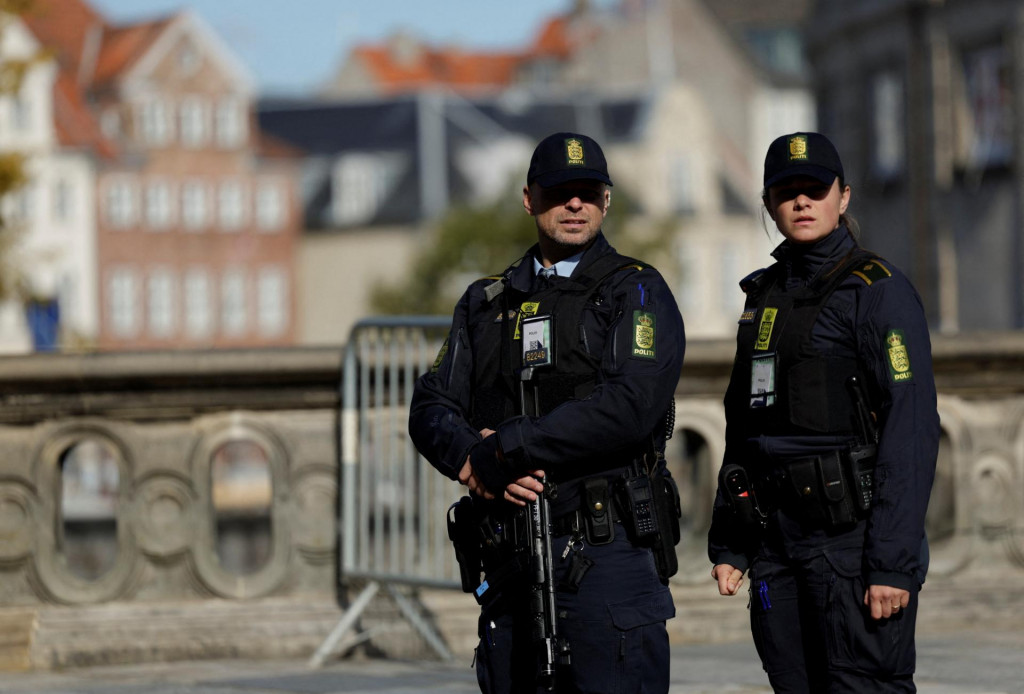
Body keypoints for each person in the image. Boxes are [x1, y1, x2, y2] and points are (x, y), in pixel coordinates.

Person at [409, 132, 686, 693]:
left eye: (588, 192)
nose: (574, 204)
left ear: (606, 201)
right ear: (529, 199)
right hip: (510, 558)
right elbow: (431, 405)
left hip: (606, 553)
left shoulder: (635, 291)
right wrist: (473, 462)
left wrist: (509, 449)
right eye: (559, 192)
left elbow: (630, 407)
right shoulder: (486, 302)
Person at [708, 132, 939, 693]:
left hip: (851, 545)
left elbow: (911, 427)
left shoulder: (877, 290)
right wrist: (732, 539)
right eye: (787, 192)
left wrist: (892, 563)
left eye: (815, 189)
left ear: (844, 196)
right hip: (777, 547)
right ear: (768, 203)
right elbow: (743, 423)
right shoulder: (763, 295)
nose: (801, 202)